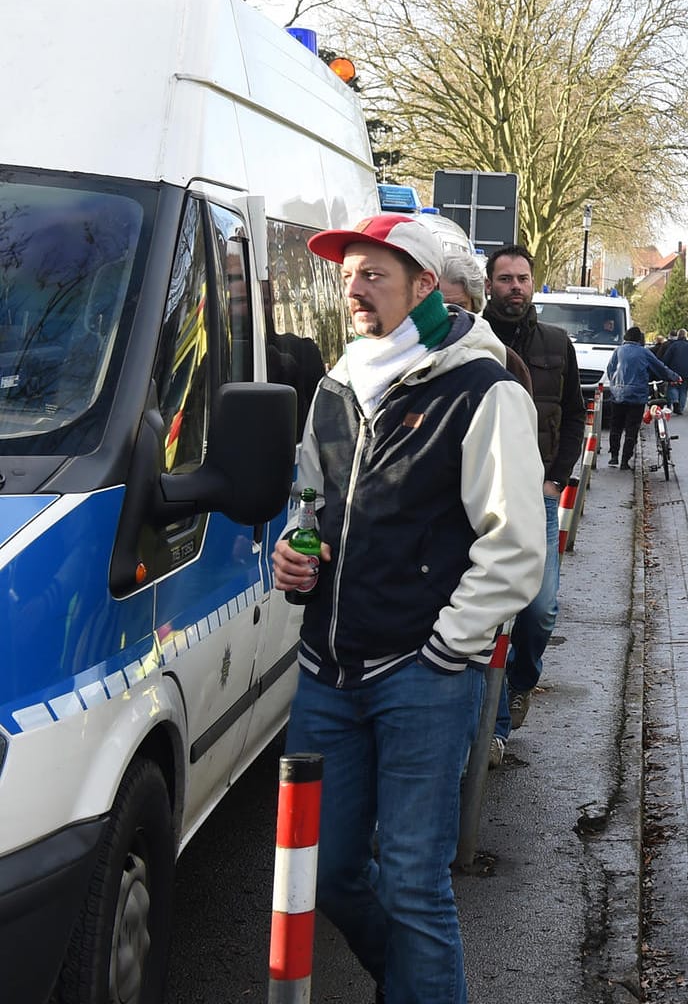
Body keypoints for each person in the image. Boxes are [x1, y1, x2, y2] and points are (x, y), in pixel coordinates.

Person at [273, 214, 545, 1003]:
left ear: (425, 286)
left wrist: (447, 647)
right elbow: (308, 502)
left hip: (422, 677)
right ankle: (416, 985)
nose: (353, 289)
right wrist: (296, 548)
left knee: (415, 885)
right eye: (349, 274)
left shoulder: (482, 388)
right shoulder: (335, 384)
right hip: (327, 669)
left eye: (374, 275)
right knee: (324, 871)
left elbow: (516, 544)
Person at [480, 245, 585, 760]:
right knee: (489, 614)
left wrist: (556, 481)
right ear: (489, 285)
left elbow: (573, 416)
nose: (515, 287)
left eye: (522, 278)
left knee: (538, 611)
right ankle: (495, 726)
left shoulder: (556, 343)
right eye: (505, 279)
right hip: (479, 497)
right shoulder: (469, 342)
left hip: (538, 497)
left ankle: (522, 680)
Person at [441, 249, 533, 391]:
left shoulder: (506, 360)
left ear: (474, 306)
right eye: (441, 306)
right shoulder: (410, 356)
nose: (450, 315)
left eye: (459, 307)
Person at [604, 326, 679, 467]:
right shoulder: (644, 352)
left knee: (616, 426)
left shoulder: (618, 351)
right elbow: (660, 368)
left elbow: (610, 369)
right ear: (639, 339)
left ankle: (613, 456)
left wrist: (616, 384)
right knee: (632, 428)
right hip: (637, 396)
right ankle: (625, 461)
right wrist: (674, 377)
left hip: (618, 394)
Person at [658, 328, 688, 414]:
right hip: (687, 372)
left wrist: (665, 370)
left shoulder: (673, 346)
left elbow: (666, 358)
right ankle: (680, 408)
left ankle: (675, 401)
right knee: (683, 390)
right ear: (686, 336)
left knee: (673, 387)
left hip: (674, 371)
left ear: (678, 336)